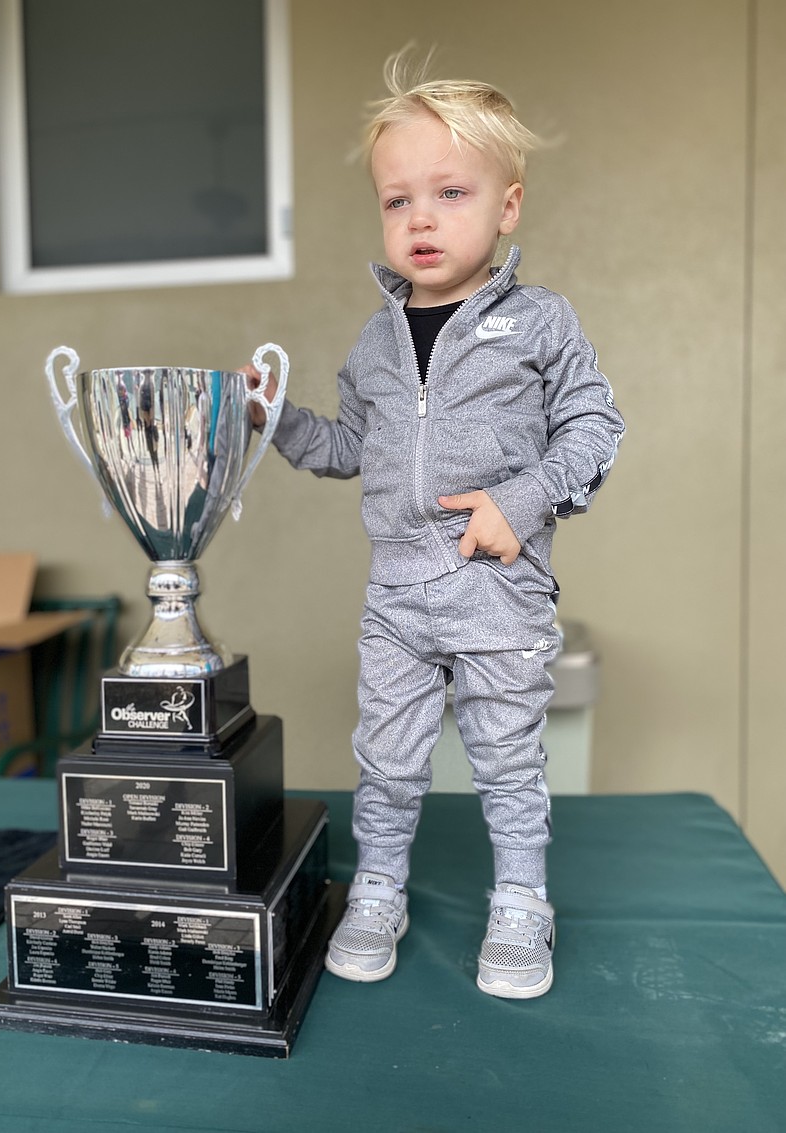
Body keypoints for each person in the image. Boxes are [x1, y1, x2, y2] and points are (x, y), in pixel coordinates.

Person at [243, 51, 625, 999]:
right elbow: (347, 449)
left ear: (508, 205)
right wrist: (275, 416)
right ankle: (378, 888)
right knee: (388, 755)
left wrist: (522, 503)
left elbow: (597, 428)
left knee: (506, 757)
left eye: (450, 192)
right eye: (397, 198)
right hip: (398, 596)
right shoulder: (376, 340)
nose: (420, 218)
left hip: (497, 588)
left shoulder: (540, 323)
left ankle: (522, 903)